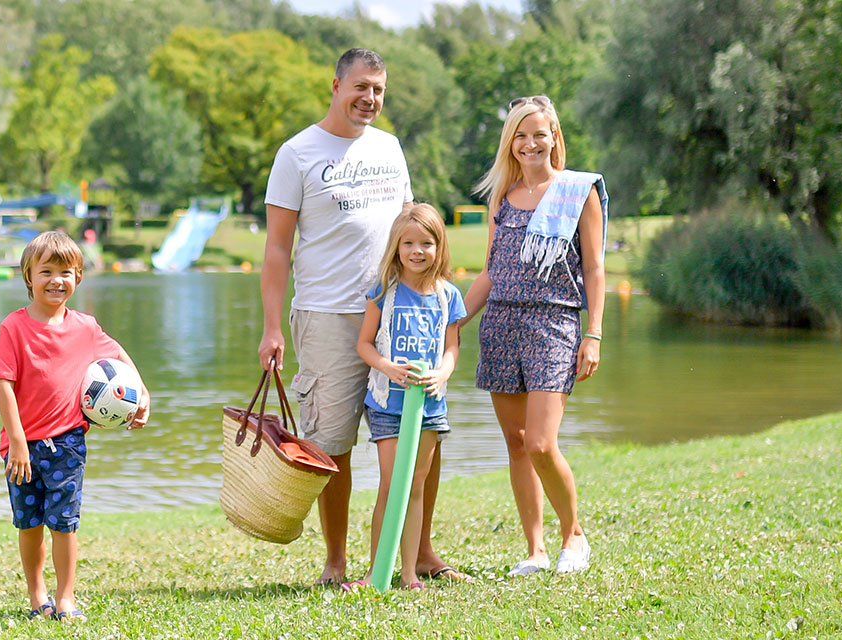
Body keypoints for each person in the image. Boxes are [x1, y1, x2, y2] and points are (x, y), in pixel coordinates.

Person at [259, 47, 470, 588]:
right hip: (327, 314)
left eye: (378, 90)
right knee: (331, 442)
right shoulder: (297, 153)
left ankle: (419, 552)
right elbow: (277, 249)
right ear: (335, 85)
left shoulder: (389, 148)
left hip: (400, 311)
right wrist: (271, 327)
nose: (369, 99)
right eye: (360, 88)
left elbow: (410, 227)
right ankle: (336, 563)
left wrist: (434, 294)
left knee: (423, 427)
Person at [460, 95, 607, 576]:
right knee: (517, 443)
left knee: (542, 443)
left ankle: (575, 537)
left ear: (554, 137)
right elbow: (489, 273)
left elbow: (595, 269)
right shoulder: (500, 199)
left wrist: (594, 334)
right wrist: (451, 320)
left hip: (554, 324)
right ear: (510, 143)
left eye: (538, 134)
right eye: (520, 136)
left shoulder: (578, 192)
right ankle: (536, 551)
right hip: (501, 325)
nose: (529, 143)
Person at [0, 230, 150, 621]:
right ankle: (37, 596)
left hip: (67, 443)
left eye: (66, 271)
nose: (56, 280)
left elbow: (118, 356)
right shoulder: (13, 327)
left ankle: (65, 600)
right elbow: (4, 384)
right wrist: (17, 441)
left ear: (78, 277)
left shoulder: (85, 327)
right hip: (22, 448)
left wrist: (142, 394)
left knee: (64, 524)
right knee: (29, 525)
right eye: (45, 271)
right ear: (28, 276)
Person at [350, 204, 467, 590]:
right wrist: (387, 367)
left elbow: (452, 349)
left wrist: (442, 373)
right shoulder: (384, 291)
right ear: (397, 247)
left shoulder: (448, 296)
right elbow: (364, 345)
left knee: (416, 486)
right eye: (409, 243)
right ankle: (374, 571)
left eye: (427, 243)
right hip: (388, 405)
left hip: (429, 408)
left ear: (440, 247)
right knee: (391, 485)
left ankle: (409, 572)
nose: (418, 251)